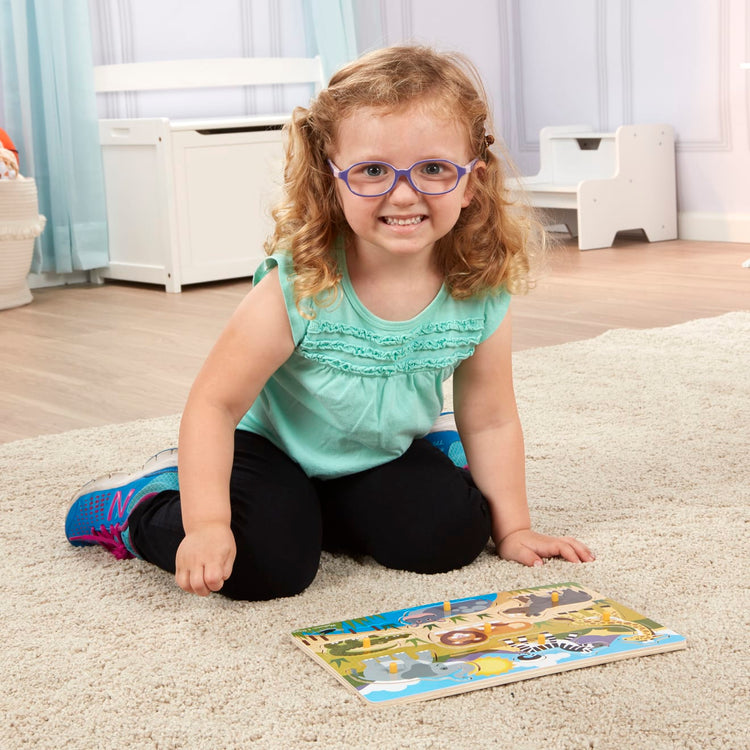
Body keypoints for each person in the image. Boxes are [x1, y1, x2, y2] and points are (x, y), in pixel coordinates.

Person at [65, 45, 594, 601]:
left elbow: (488, 418)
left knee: (453, 537)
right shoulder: (299, 285)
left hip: (373, 453)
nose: (405, 194)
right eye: (372, 171)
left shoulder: (479, 286)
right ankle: (139, 504)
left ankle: (318, 509)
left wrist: (513, 529)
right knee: (265, 566)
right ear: (332, 177)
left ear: (471, 182)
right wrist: (206, 526)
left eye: (434, 169)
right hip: (270, 448)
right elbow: (213, 405)